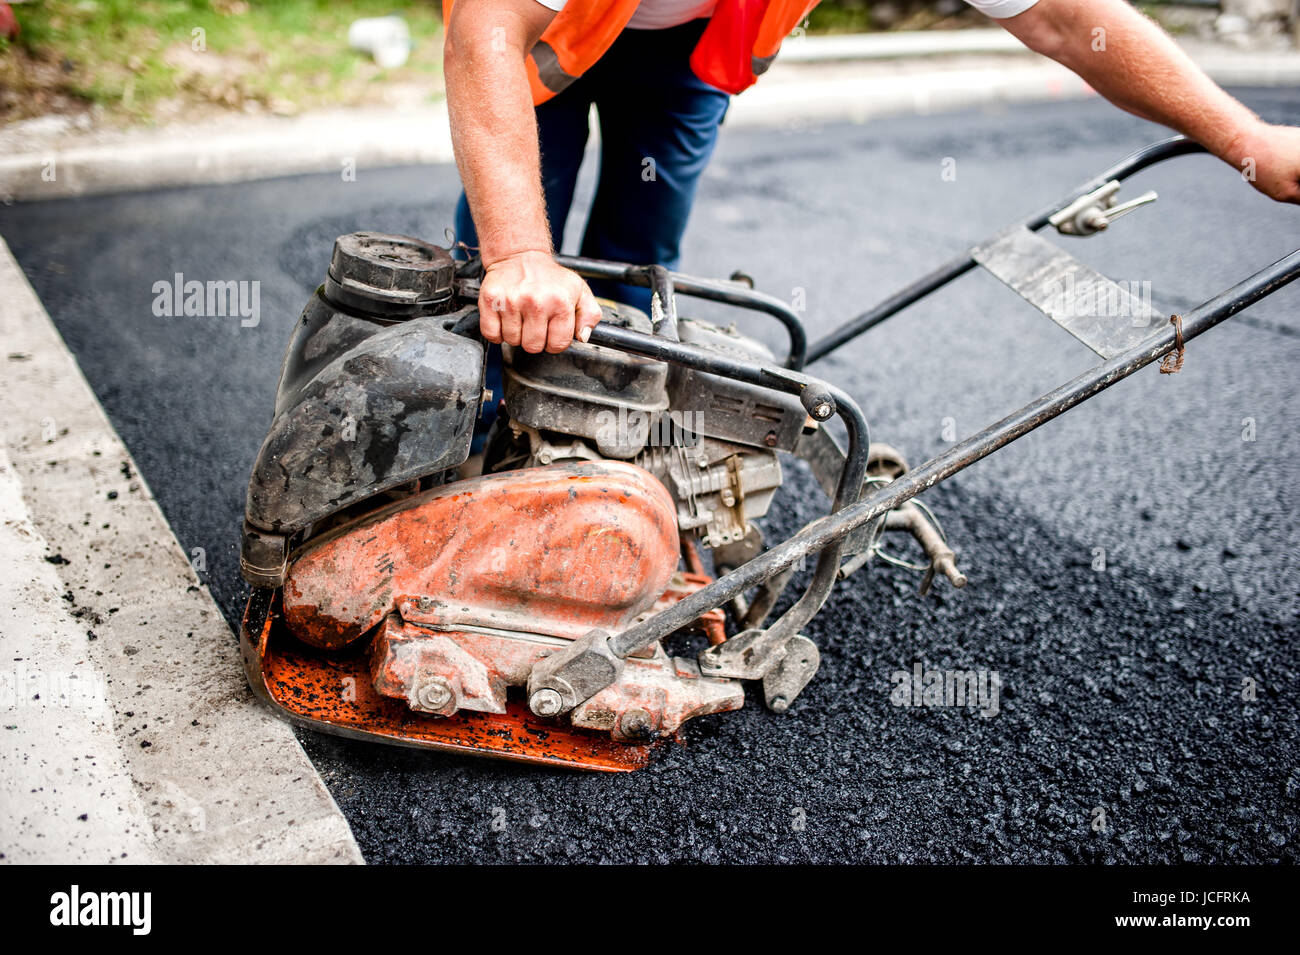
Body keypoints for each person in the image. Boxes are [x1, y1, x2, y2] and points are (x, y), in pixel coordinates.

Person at [444, 0, 1300, 355]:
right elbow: (484, 24)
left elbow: (1072, 24)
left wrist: (1248, 138)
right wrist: (519, 252)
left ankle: (586, 471)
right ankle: (438, 472)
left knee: (634, 262)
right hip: (536, 40)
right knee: (494, 277)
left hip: (693, 49)